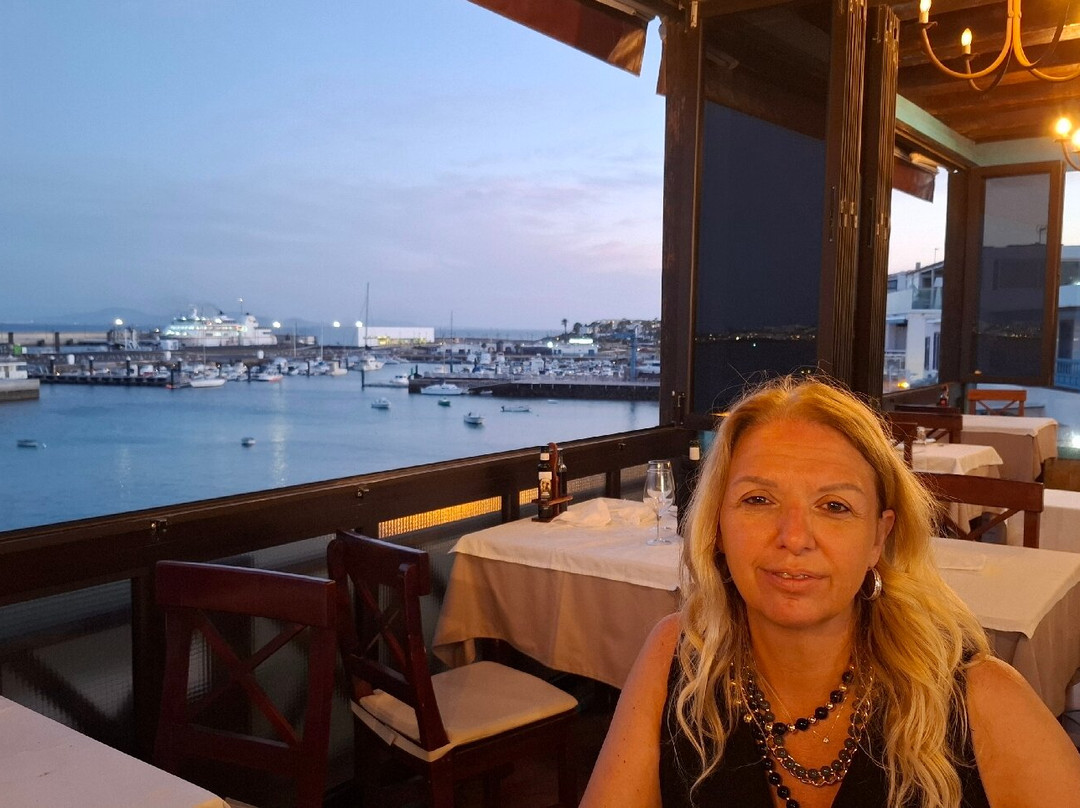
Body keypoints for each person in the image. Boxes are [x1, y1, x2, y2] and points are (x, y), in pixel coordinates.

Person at [581, 376, 1080, 808]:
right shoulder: (677, 655)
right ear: (717, 526)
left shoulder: (983, 700)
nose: (794, 538)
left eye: (835, 506)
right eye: (758, 499)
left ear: (879, 537)